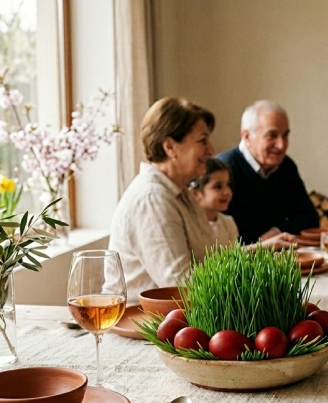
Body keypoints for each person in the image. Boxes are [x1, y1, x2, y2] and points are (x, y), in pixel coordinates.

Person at [109, 97, 294, 303]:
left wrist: (263, 248)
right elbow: (182, 286)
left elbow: (212, 262)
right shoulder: (152, 199)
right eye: (202, 140)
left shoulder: (181, 193)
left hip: (175, 319)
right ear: (170, 147)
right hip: (144, 326)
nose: (212, 151)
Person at [217, 100, 320, 244]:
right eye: (272, 135)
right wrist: (262, 243)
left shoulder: (286, 166)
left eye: (285, 135)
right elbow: (215, 236)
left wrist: (276, 231)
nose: (281, 145)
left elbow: (310, 218)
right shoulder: (222, 171)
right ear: (246, 136)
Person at [189, 158, 240, 246]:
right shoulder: (189, 226)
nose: (227, 192)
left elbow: (232, 257)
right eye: (218, 187)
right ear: (195, 194)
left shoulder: (228, 224)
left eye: (228, 184)